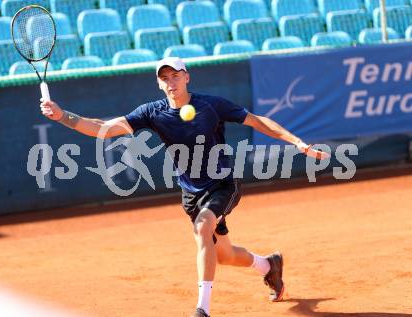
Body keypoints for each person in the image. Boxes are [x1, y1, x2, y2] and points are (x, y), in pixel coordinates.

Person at [39, 57, 329, 317]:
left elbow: (256, 121)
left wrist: (296, 142)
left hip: (223, 184)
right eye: (164, 77)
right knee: (224, 255)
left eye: (175, 75)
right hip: (191, 192)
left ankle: (202, 309)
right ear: (158, 83)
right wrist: (62, 115)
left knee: (203, 228)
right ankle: (269, 265)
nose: (171, 82)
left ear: (187, 77)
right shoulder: (152, 112)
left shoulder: (210, 105)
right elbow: (103, 129)